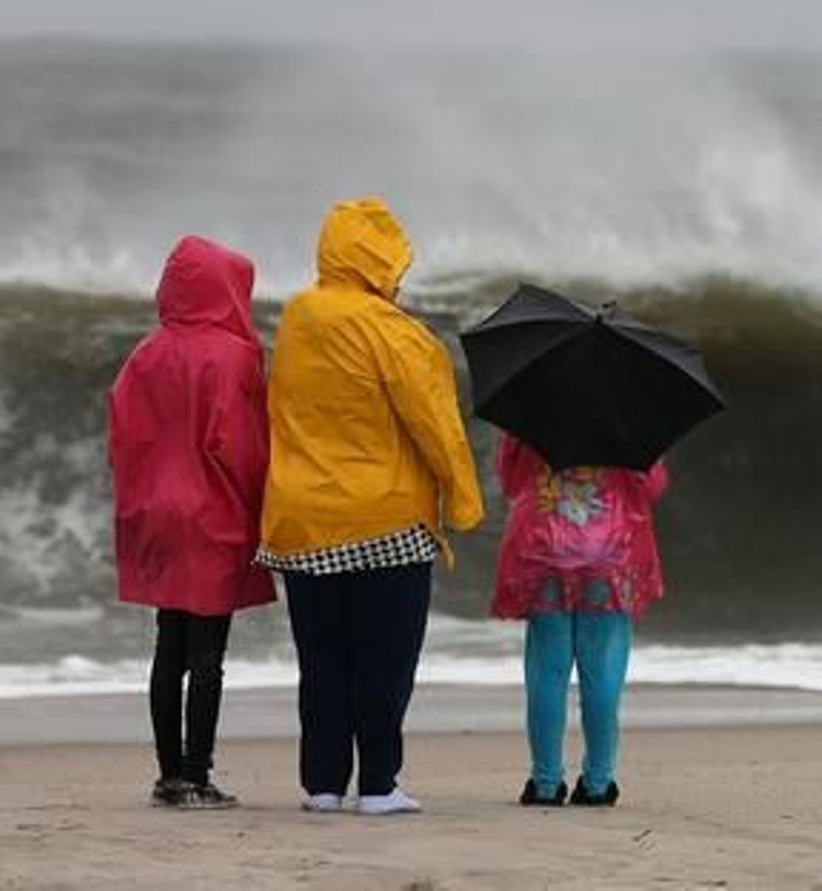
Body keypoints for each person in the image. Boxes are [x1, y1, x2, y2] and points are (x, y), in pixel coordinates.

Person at [256, 196, 483, 816]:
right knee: (384, 661)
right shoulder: (395, 333)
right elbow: (435, 424)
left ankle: (322, 785)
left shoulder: (297, 317)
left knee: (322, 660)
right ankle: (379, 785)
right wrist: (462, 502)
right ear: (378, 263)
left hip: (301, 520)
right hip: (385, 520)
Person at [108, 235, 277, 810]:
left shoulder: (145, 354)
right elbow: (242, 448)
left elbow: (122, 439)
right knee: (209, 654)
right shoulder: (233, 356)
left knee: (168, 647)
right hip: (211, 512)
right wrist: (265, 505)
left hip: (155, 510)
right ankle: (198, 774)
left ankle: (167, 775)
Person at [490, 434, 669, 807]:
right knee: (602, 671)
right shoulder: (624, 416)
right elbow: (652, 484)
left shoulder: (527, 409)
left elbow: (508, 481)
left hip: (543, 551)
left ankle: (545, 782)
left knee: (547, 672)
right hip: (609, 553)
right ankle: (598, 783)